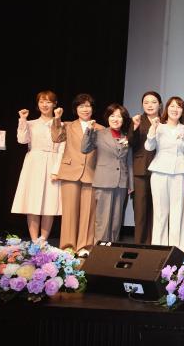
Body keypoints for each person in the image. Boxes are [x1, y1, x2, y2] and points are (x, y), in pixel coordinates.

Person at [51, 93, 103, 252]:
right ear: (76, 109)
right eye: (81, 106)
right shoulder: (68, 125)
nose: (85, 109)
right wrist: (57, 119)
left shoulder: (100, 129)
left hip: (91, 173)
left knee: (88, 212)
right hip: (70, 171)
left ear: (92, 109)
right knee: (70, 212)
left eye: (88, 106)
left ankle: (84, 246)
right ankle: (68, 246)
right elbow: (56, 137)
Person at [12, 90, 65, 241]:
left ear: (55, 104)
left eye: (48, 102)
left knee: (49, 203)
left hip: (52, 162)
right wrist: (23, 119)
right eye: (41, 101)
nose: (44, 105)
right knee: (33, 202)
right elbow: (22, 140)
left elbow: (62, 148)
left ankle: (43, 240)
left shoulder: (60, 124)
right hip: (34, 164)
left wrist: (57, 170)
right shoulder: (31, 123)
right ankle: (34, 240)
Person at [145, 96, 184, 251]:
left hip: (179, 173)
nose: (175, 109)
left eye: (179, 106)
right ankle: (158, 249)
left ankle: (177, 249)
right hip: (159, 171)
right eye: (172, 106)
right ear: (167, 109)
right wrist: (153, 128)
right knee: (160, 212)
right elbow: (149, 147)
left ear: (182, 111)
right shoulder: (159, 126)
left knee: (177, 211)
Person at [81, 104, 133, 247]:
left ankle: (112, 249)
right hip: (104, 181)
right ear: (107, 118)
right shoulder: (99, 133)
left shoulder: (126, 136)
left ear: (123, 119)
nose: (115, 119)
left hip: (121, 182)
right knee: (103, 219)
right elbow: (84, 149)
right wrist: (89, 130)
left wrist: (130, 184)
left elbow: (129, 161)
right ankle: (99, 249)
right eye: (112, 116)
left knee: (116, 220)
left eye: (119, 116)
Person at [129, 91, 161, 245]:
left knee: (158, 209)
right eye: (146, 102)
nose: (150, 105)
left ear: (160, 104)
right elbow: (130, 143)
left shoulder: (165, 121)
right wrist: (134, 127)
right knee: (140, 209)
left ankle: (154, 243)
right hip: (140, 169)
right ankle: (140, 244)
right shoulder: (137, 120)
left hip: (161, 170)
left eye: (153, 102)